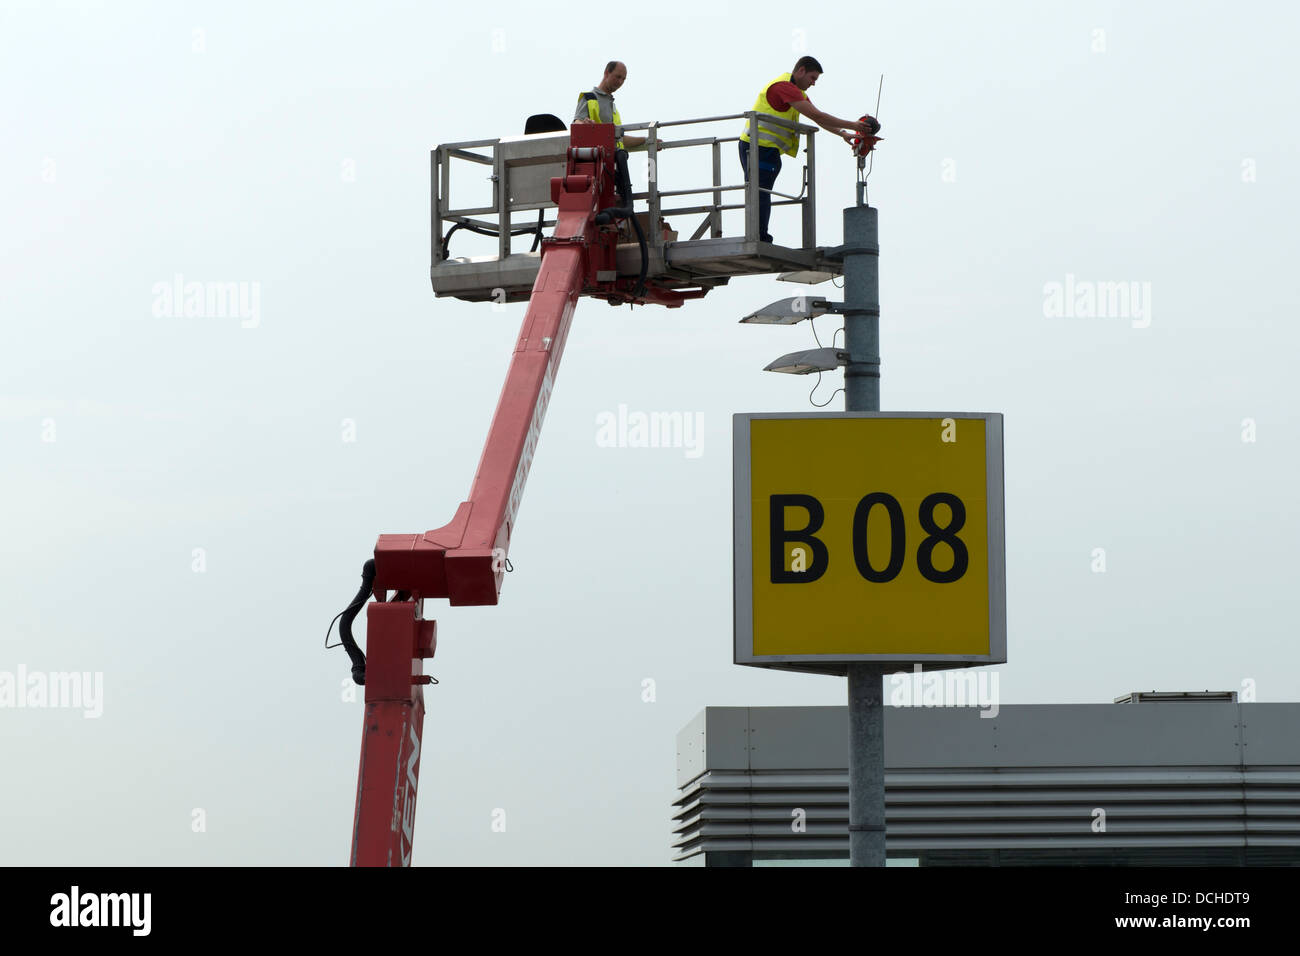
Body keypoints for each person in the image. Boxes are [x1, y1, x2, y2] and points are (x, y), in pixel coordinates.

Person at [739, 56, 878, 243]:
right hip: (757, 147)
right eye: (812, 78)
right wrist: (854, 125)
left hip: (765, 148)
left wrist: (843, 133)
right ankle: (759, 236)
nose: (813, 84)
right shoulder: (784, 87)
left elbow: (817, 118)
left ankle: (759, 235)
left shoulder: (795, 90)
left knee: (762, 191)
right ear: (801, 71)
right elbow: (818, 115)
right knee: (760, 192)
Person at [574, 61, 646, 151]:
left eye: (623, 79)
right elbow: (577, 123)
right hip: (596, 158)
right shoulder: (589, 97)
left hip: (614, 161)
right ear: (607, 73)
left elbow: (619, 139)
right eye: (618, 77)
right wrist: (585, 125)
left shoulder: (613, 108)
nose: (620, 82)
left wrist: (648, 140)